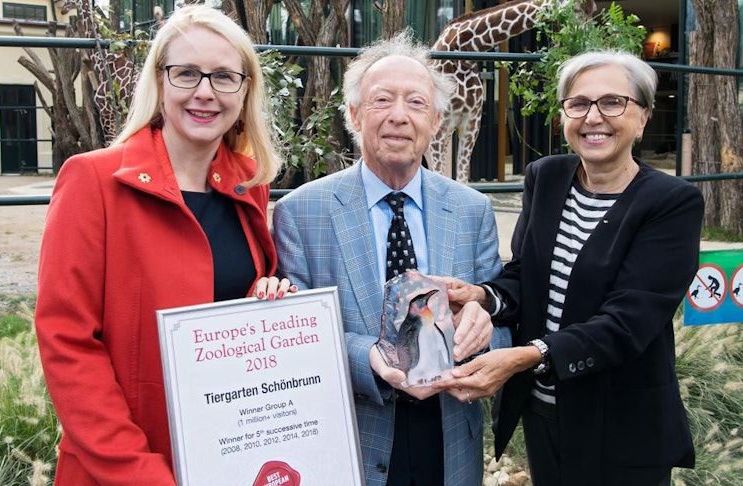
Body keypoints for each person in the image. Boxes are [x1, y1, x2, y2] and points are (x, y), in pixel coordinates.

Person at [34, 6, 292, 484]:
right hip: (126, 466)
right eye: (187, 73)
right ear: (159, 81)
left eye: (223, 77)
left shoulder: (248, 187)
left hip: (231, 457)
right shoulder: (92, 181)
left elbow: (231, 305)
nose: (204, 92)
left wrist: (268, 301)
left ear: (245, 90)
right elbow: (67, 342)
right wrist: (137, 471)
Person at [434, 50, 702, 485]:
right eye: (578, 104)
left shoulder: (671, 203)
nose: (593, 117)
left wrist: (528, 355)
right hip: (545, 410)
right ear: (564, 116)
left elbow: (628, 322)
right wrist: (482, 295)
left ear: (643, 117)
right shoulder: (547, 177)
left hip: (621, 421)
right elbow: (527, 275)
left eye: (613, 102)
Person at [264, 30, 508, 486]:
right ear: (355, 115)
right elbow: (295, 337)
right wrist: (369, 358)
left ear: (436, 120)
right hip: (355, 435)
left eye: (416, 103)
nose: (399, 116)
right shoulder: (302, 212)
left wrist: (483, 331)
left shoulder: (473, 210)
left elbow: (499, 312)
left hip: (450, 436)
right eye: (382, 101)